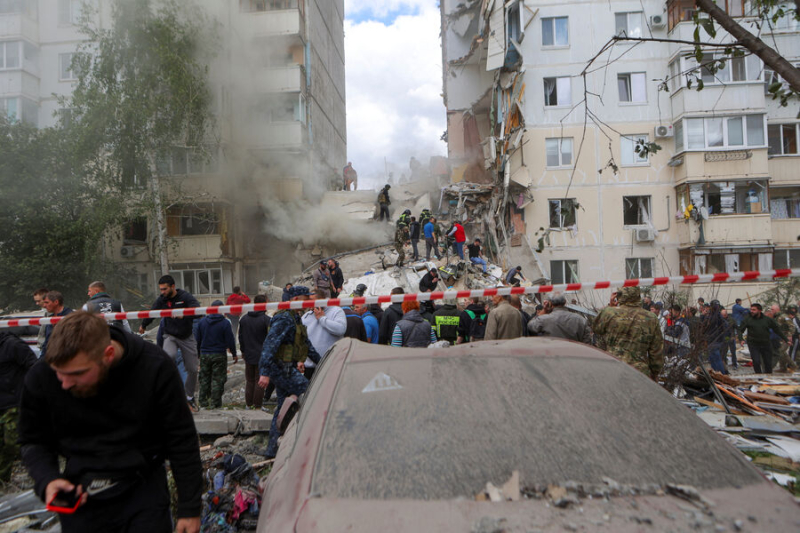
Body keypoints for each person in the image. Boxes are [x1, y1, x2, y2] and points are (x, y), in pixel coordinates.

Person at [19, 312, 202, 533]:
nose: (65, 384)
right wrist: (47, 480)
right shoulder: (42, 377)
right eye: (60, 373)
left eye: (77, 373)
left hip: (143, 489)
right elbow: (33, 440)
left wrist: (189, 508)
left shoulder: (154, 367)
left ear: (108, 354)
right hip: (81, 492)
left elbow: (181, 440)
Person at [257, 286, 321, 459]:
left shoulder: (295, 318)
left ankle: (272, 450)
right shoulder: (284, 318)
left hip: (287, 367)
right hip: (280, 368)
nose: (309, 302)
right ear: (293, 299)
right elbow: (269, 346)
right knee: (309, 393)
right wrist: (264, 372)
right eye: (305, 298)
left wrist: (322, 362)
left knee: (281, 408)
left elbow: (306, 345)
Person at [139, 275, 201, 412]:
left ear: (173, 287)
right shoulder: (162, 299)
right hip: (170, 335)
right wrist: (143, 325)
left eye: (165, 289)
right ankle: (167, 393)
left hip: (186, 336)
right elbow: (152, 313)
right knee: (169, 357)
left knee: (192, 368)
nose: (163, 292)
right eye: (161, 289)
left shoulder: (185, 297)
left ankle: (189, 397)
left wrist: (184, 314)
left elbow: (198, 311)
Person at [593, 286, 664, 380]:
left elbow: (596, 328)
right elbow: (656, 350)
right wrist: (655, 372)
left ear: (619, 296)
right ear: (638, 296)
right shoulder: (651, 318)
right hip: (639, 372)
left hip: (613, 368)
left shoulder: (610, 313)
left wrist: (610, 306)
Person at [0, 331, 36, 482]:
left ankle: (38, 473)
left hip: (15, 403)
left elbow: (34, 366)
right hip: (2, 403)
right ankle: (3, 478)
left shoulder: (12, 345)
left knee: (14, 442)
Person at [195, 301, 237, 409]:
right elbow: (230, 340)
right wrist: (234, 353)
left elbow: (197, 339)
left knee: (204, 379)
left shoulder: (202, 322)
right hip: (219, 354)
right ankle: (215, 404)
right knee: (218, 380)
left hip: (205, 354)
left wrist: (198, 354)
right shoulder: (225, 323)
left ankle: (203, 403)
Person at [301, 291, 346, 380]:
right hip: (310, 367)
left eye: (312, 301)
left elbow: (341, 329)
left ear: (321, 300)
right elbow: (301, 339)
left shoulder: (336, 311)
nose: (309, 304)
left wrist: (322, 319)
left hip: (331, 365)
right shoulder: (306, 316)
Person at [238, 295, 272, 409]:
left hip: (248, 354)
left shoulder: (244, 319)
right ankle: (258, 406)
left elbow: (240, 337)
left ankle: (248, 404)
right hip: (262, 356)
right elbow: (270, 339)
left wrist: (243, 351)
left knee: (250, 380)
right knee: (260, 381)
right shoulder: (266, 320)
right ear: (265, 303)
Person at [738, 303, 788, 374]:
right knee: (756, 361)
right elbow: (740, 330)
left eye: (754, 310)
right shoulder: (748, 319)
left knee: (768, 362)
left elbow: (777, 330)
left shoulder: (767, 320)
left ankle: (768, 376)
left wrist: (786, 339)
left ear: (759, 310)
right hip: (753, 344)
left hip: (766, 343)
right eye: (751, 309)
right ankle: (759, 376)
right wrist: (741, 339)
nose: (751, 311)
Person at [527, 293, 591, 343]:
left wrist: (544, 310)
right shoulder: (580, 320)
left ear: (550, 303)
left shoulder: (544, 320)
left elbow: (530, 326)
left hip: (553, 356)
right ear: (565, 302)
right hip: (574, 357)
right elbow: (587, 342)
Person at [41, 291, 74, 358]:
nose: (44, 305)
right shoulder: (49, 318)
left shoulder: (70, 317)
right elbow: (47, 342)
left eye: (47, 302)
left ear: (56, 302)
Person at [767, 304, 797, 373]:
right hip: (779, 337)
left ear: (777, 310)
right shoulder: (775, 317)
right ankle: (783, 367)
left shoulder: (783, 317)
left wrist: (789, 336)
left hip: (785, 337)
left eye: (772, 309)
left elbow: (792, 326)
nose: (771, 311)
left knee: (781, 351)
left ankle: (792, 365)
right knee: (780, 351)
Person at [701, 301, 728, 374]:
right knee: (713, 358)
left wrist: (702, 316)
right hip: (716, 340)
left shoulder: (712, 317)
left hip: (714, 340)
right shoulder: (718, 316)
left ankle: (720, 374)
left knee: (716, 358)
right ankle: (717, 373)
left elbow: (703, 326)